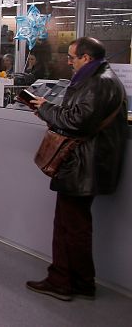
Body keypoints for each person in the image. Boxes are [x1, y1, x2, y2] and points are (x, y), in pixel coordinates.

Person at [26, 37, 126, 301]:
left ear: (86, 58)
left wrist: (46, 109)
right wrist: (49, 110)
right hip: (90, 163)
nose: (68, 62)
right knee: (76, 225)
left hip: (82, 165)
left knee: (69, 226)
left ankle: (62, 280)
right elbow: (82, 116)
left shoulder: (97, 83)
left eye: (72, 57)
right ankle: (82, 281)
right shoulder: (103, 79)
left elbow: (76, 121)